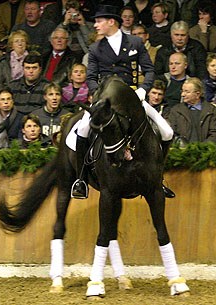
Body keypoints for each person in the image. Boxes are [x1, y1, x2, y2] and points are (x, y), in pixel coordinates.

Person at [71, 4, 174, 199]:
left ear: (111, 22)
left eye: (99, 21)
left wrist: (143, 90)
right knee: (82, 130)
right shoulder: (95, 48)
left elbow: (149, 70)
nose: (95, 25)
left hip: (133, 99)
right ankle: (81, 180)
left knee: (167, 132)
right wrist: (98, 96)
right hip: (105, 102)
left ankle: (158, 178)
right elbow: (91, 77)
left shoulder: (135, 42)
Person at [168, 77, 216, 145]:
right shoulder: (176, 110)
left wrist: (201, 149)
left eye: (187, 92)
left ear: (197, 94)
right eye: (182, 91)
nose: (182, 95)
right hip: (181, 153)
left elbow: (214, 134)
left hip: (206, 152)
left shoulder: (211, 110)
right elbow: (172, 132)